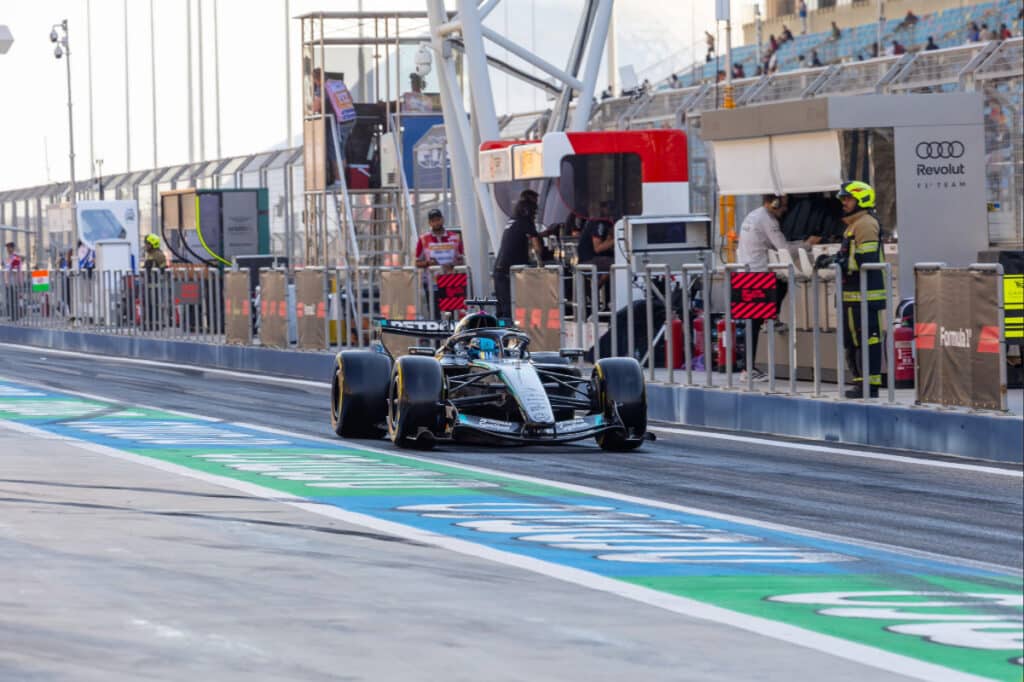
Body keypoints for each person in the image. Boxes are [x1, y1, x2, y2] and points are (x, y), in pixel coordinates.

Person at [736, 196, 821, 382]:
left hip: (745, 272)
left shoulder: (753, 215)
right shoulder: (768, 220)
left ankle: (771, 317)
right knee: (753, 324)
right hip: (757, 275)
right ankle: (747, 369)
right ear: (773, 204)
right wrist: (808, 244)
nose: (785, 210)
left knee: (752, 322)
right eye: (783, 206)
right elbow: (783, 248)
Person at [824, 181, 885, 399]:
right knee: (852, 341)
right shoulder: (854, 224)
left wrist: (840, 263)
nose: (844, 203)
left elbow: (865, 260)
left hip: (865, 295)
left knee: (866, 339)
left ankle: (870, 385)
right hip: (853, 294)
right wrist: (834, 259)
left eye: (848, 199)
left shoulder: (865, 223)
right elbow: (850, 255)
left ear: (862, 199)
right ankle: (861, 382)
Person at [493, 189, 542, 319]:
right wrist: (541, 264)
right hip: (508, 272)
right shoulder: (526, 220)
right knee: (511, 311)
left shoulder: (513, 220)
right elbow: (537, 247)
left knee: (502, 311)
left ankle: (501, 335)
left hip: (499, 269)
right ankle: (510, 336)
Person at [415, 208, 464, 314]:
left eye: (438, 219)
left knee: (452, 313)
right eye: (433, 221)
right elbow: (417, 262)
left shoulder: (454, 237)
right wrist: (428, 263)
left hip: (451, 281)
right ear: (429, 223)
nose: (436, 223)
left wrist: (453, 265)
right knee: (435, 313)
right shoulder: (423, 239)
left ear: (442, 220)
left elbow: (461, 259)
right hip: (432, 282)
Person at [576, 202, 617, 311]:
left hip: (598, 259)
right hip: (589, 259)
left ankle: (602, 297)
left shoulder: (606, 223)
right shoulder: (599, 224)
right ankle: (594, 290)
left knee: (614, 263)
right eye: (610, 208)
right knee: (617, 265)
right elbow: (598, 248)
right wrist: (616, 239)